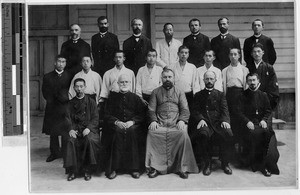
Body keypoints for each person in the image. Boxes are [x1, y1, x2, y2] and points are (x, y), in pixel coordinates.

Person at [145, 68, 199, 179]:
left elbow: (185, 109)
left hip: (175, 122)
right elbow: (151, 109)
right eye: (165, 77)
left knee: (183, 134)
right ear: (161, 78)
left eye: (170, 77)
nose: (167, 79)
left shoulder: (180, 91)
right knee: (152, 133)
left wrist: (181, 121)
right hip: (160, 123)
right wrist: (154, 121)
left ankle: (182, 167)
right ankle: (154, 167)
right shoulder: (156, 92)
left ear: (174, 78)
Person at [189, 71, 233, 176]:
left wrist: (225, 121)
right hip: (205, 122)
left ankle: (225, 163)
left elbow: (225, 110)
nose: (209, 81)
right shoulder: (198, 95)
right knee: (203, 134)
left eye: (211, 79)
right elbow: (195, 110)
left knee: (228, 133)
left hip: (218, 122)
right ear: (203, 80)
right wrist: (200, 119)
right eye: (207, 79)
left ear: (215, 80)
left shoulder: (220, 94)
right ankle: (207, 163)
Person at [104, 74, 146, 179]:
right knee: (117, 132)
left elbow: (142, 114)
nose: (124, 84)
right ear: (118, 84)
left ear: (130, 83)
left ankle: (134, 168)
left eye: (126, 82)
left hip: (132, 125)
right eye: (121, 82)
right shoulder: (112, 98)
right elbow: (106, 114)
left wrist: (132, 122)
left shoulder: (136, 98)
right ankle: (114, 168)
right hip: (116, 125)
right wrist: (116, 122)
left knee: (131, 132)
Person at [237, 73, 280, 176]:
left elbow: (268, 111)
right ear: (247, 82)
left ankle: (264, 164)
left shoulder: (263, 95)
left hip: (261, 124)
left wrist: (264, 120)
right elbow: (239, 112)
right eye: (250, 80)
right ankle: (257, 164)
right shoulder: (242, 95)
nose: (252, 83)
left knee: (267, 135)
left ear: (258, 82)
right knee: (254, 135)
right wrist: (247, 121)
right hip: (248, 125)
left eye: (254, 80)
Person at [64, 78, 101, 181]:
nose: (79, 89)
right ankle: (72, 171)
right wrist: (71, 129)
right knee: (71, 141)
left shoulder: (91, 102)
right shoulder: (70, 103)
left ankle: (87, 170)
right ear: (74, 88)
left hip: (88, 129)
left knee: (89, 140)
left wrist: (89, 128)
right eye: (77, 87)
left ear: (85, 87)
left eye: (81, 86)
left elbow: (95, 118)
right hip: (76, 129)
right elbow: (67, 118)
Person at [42, 55, 72, 162]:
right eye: (59, 61)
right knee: (53, 131)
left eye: (63, 62)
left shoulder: (69, 76)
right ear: (55, 63)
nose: (61, 64)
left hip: (65, 107)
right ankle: (54, 153)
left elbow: (71, 92)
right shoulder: (47, 76)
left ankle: (65, 152)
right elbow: (45, 93)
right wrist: (55, 99)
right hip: (52, 107)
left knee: (65, 130)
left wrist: (64, 100)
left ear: (65, 63)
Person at [222, 48, 249, 144]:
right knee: (231, 119)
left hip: (241, 95)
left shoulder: (244, 69)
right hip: (229, 95)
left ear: (239, 56)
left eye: (235, 54)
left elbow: (246, 85)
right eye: (231, 54)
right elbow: (224, 85)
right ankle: (231, 144)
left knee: (240, 119)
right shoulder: (225, 70)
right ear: (229, 56)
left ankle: (241, 145)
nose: (233, 56)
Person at [250, 43, 279, 110]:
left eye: (259, 51)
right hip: (251, 103)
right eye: (254, 52)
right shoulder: (248, 68)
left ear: (263, 52)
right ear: (251, 54)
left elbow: (273, 88)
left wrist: (268, 102)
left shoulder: (269, 68)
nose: (256, 54)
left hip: (266, 103)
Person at [171, 45, 200, 110]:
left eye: (186, 53)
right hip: (176, 94)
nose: (184, 55)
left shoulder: (192, 67)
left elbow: (195, 83)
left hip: (188, 94)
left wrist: (195, 95)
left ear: (188, 54)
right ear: (178, 54)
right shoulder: (172, 66)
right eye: (182, 52)